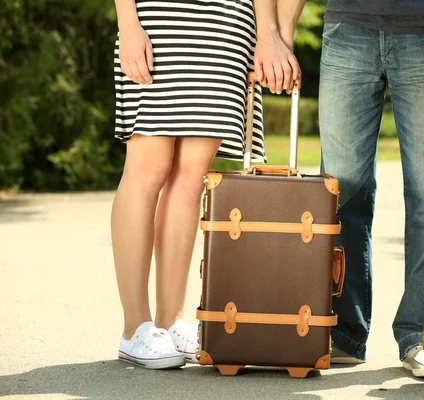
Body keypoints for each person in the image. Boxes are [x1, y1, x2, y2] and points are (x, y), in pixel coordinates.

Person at [111, 0, 303, 369]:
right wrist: (127, 22)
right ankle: (135, 327)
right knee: (149, 167)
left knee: (192, 175)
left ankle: (170, 321)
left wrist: (267, 34)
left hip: (226, 23)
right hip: (159, 17)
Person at [318, 0, 424, 377]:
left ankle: (422, 334)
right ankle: (342, 333)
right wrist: (275, 37)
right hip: (348, 30)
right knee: (341, 192)